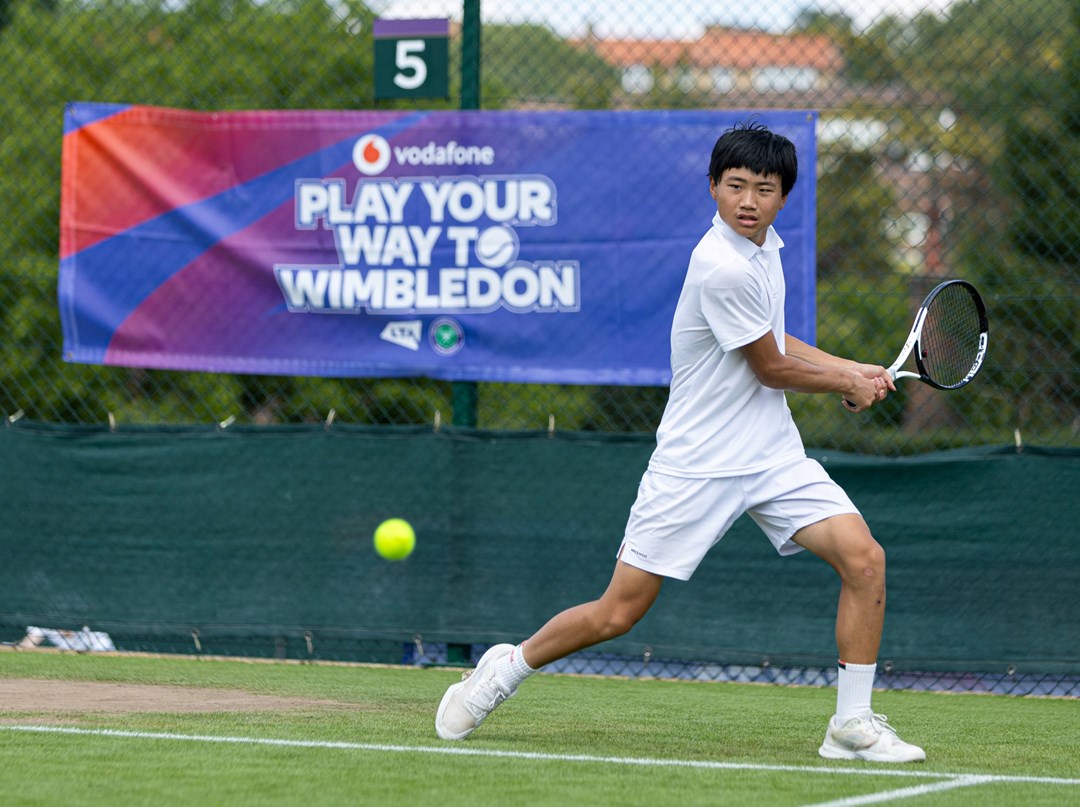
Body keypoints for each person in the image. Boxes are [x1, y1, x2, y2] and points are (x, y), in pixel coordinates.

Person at [434, 121, 925, 764]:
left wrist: (853, 369)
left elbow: (777, 337)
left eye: (765, 188)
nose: (749, 200)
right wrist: (844, 381)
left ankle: (851, 724)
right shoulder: (720, 263)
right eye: (736, 186)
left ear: (784, 198)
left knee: (864, 560)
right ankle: (505, 668)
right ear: (714, 188)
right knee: (618, 614)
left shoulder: (764, 249)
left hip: (772, 455)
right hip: (696, 465)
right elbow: (770, 368)